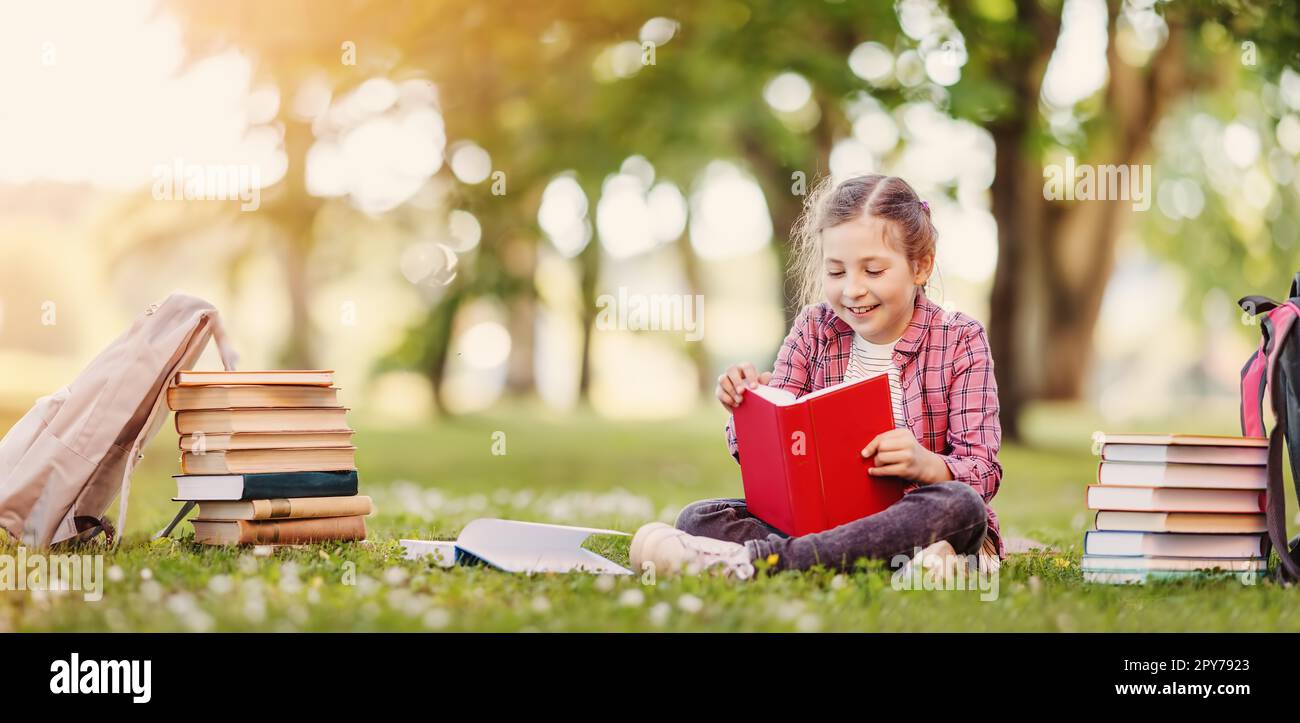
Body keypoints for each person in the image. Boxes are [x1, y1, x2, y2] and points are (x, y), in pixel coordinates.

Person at [630, 174, 1003, 580]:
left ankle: (761, 563)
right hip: (820, 523)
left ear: (921, 265)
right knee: (700, 517)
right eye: (837, 272)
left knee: (959, 507)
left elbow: (982, 471)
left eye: (873, 271)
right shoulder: (814, 329)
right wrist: (748, 406)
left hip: (918, 515)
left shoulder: (960, 338)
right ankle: (869, 562)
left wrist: (927, 464)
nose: (853, 290)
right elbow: (762, 456)